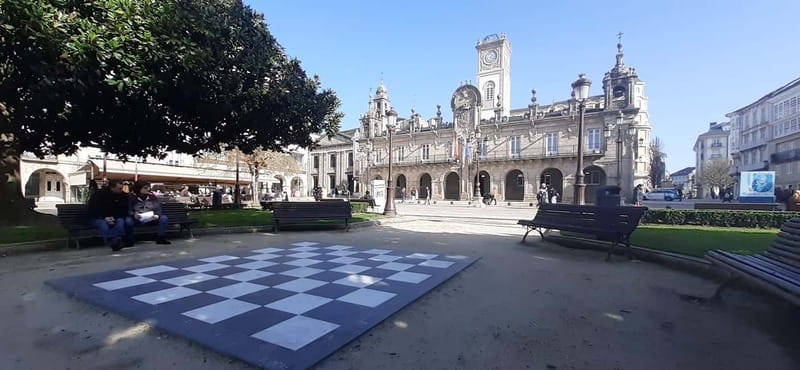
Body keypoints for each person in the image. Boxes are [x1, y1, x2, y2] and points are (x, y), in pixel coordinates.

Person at [87, 180, 131, 251]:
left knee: (120, 221)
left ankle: (118, 240)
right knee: (102, 224)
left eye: (121, 188)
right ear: (112, 188)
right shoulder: (99, 194)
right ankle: (111, 241)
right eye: (119, 188)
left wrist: (113, 218)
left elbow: (123, 210)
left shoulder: (123, 196)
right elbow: (93, 209)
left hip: (114, 217)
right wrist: (104, 218)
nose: (121, 190)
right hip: (98, 217)